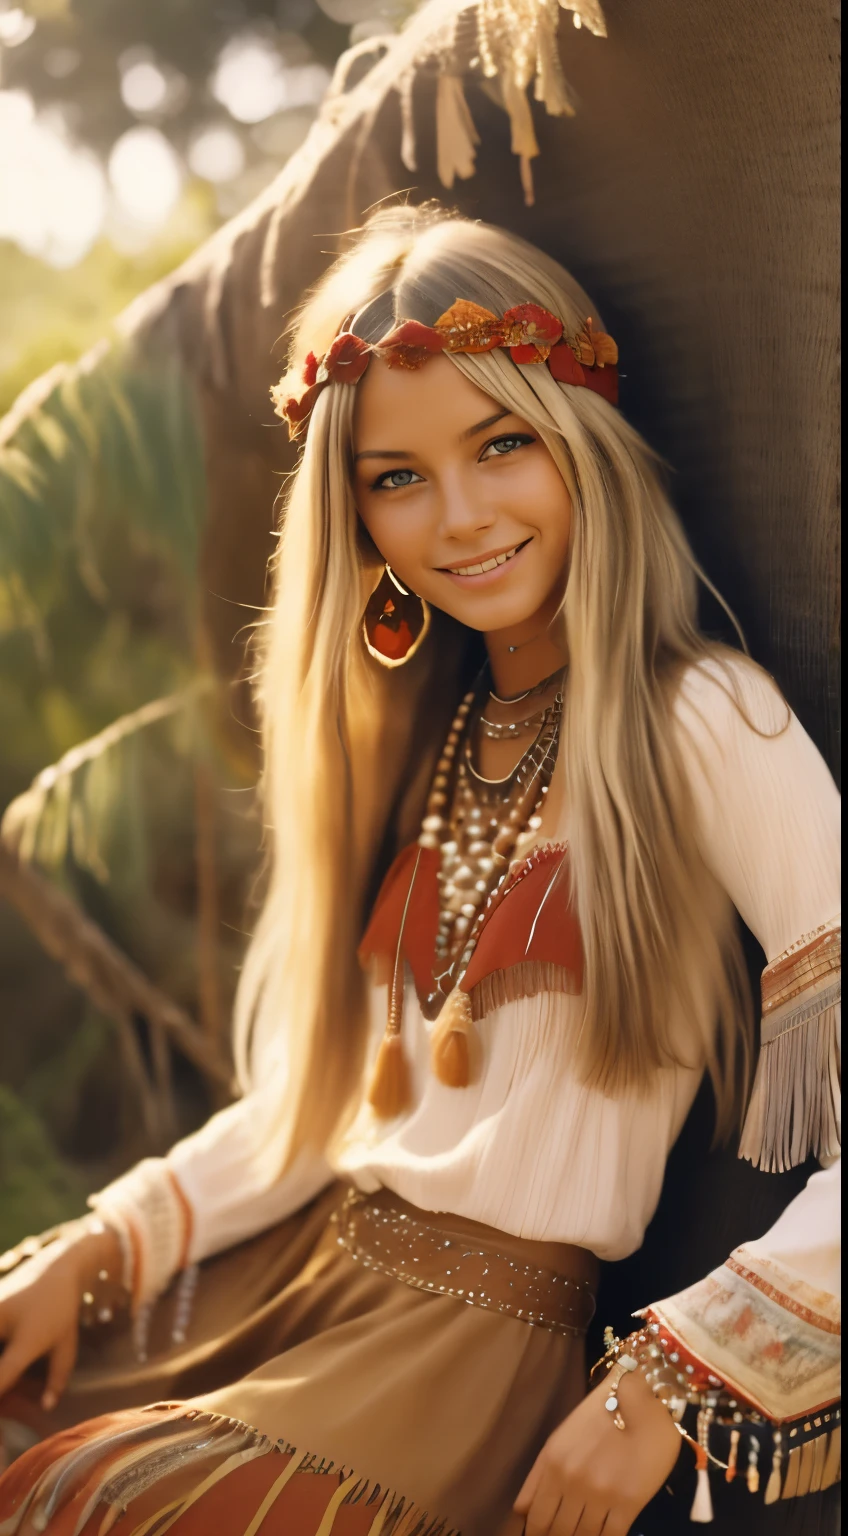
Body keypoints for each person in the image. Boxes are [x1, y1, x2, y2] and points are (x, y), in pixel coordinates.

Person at [0, 205, 839, 1536]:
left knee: (91, 1503)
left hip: (468, 1358)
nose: (457, 518)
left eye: (501, 445)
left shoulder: (701, 719)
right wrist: (105, 1246)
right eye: (397, 477)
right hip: (294, 1282)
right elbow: (316, 1112)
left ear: (584, 440)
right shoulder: (427, 732)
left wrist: (666, 1382)